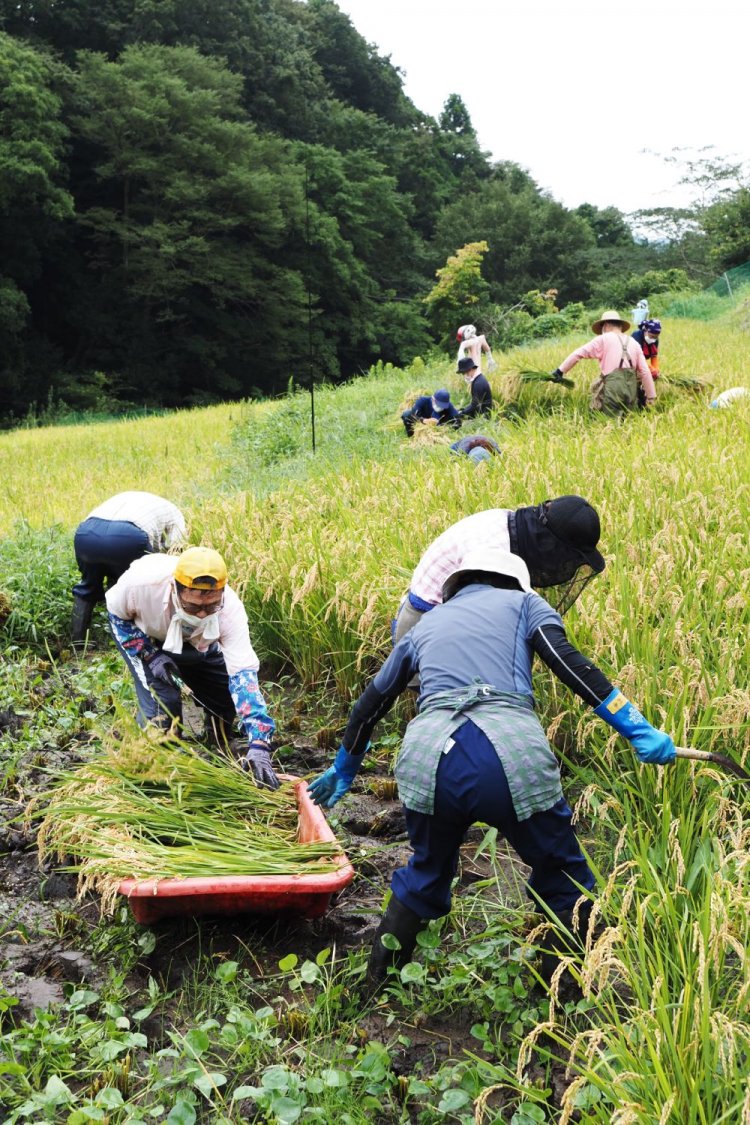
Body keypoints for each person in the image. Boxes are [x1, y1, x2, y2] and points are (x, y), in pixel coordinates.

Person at [308, 547, 674, 988]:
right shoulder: (524, 603)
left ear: (456, 586)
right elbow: (571, 667)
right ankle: (560, 997)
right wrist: (636, 727)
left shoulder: (425, 627)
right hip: (508, 752)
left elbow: (371, 703)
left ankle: (376, 987)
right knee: (563, 872)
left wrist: (344, 768)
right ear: (514, 581)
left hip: (427, 757)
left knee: (427, 872)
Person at [105, 545, 279, 787]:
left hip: (199, 643)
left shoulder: (229, 610)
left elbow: (243, 676)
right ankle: (160, 767)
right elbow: (117, 616)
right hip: (148, 635)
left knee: (225, 694)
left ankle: (218, 739)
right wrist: (149, 654)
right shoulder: (140, 587)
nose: (201, 614)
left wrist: (260, 743)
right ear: (175, 590)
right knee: (162, 710)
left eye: (210, 607)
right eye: (193, 606)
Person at [393, 494, 605, 643]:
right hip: (425, 625)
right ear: (549, 544)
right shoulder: (490, 557)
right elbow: (482, 628)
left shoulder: (510, 524)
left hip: (448, 620)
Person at [72, 491, 187, 644]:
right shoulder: (175, 513)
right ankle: (132, 642)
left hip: (87, 534)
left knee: (88, 587)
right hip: (128, 536)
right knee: (142, 590)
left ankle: (77, 644)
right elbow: (173, 553)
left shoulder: (131, 498)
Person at [550, 310, 656, 416]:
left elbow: (578, 353)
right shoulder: (634, 342)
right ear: (620, 326)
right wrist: (651, 396)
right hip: (632, 389)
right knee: (629, 420)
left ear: (605, 325)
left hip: (614, 388)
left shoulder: (603, 339)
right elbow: (645, 371)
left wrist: (559, 371)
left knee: (611, 424)